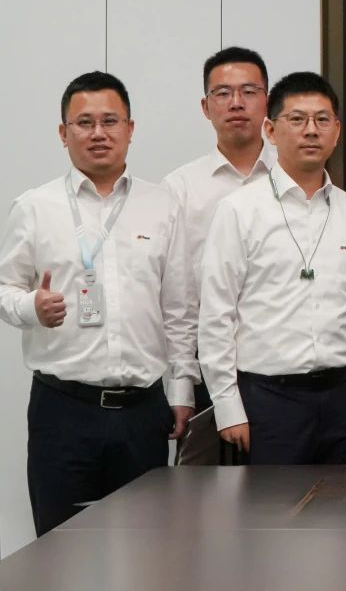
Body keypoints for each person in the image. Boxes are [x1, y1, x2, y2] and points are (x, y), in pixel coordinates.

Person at [0, 72, 198, 535]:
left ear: (130, 129)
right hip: (63, 410)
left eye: (110, 121)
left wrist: (182, 391)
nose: (98, 133)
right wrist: (31, 307)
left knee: (145, 550)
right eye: (84, 122)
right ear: (63, 132)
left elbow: (179, 311)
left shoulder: (162, 206)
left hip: (143, 411)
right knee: (60, 548)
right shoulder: (34, 206)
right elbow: (4, 288)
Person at [199, 72, 346, 465]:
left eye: (322, 120)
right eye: (297, 119)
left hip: (345, 398)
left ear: (337, 130)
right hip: (268, 401)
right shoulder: (240, 210)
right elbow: (217, 314)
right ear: (270, 130)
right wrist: (228, 406)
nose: (311, 131)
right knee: (271, 504)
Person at [164, 47, 274, 410]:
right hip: (207, 361)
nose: (236, 103)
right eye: (223, 93)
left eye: (249, 91)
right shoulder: (180, 188)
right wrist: (181, 386)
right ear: (205, 106)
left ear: (267, 101)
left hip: (286, 364)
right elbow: (177, 297)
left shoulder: (293, 177)